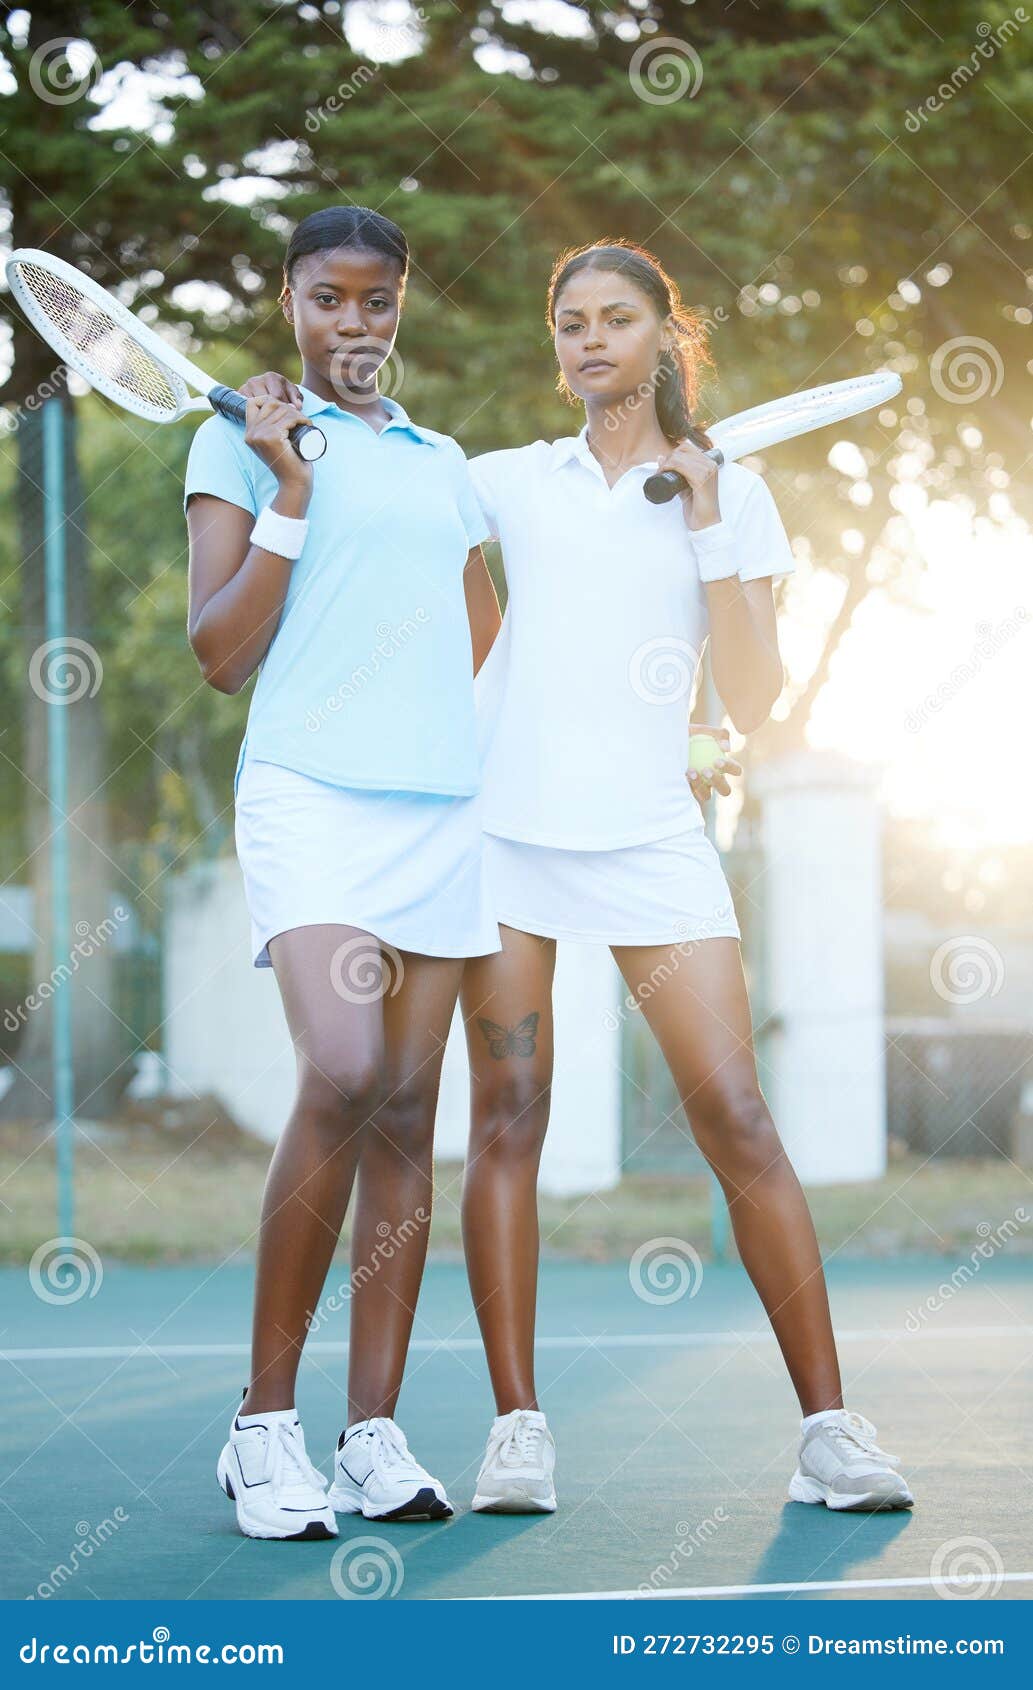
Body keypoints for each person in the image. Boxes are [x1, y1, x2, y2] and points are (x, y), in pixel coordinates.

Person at [457, 240, 913, 1517]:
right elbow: (418, 541)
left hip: (656, 843)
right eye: (568, 323)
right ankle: (517, 1431)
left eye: (614, 318)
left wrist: (706, 515)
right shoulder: (505, 483)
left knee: (740, 1124)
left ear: (667, 335)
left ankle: (828, 1430)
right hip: (509, 845)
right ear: (553, 347)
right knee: (509, 1116)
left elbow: (756, 695)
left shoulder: (735, 493)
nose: (588, 340)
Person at [184, 205, 502, 1539]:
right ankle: (262, 1431)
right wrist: (293, 490)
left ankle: (370, 1431)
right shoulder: (237, 442)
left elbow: (488, 637)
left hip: (439, 812)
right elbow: (218, 648)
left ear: (402, 305)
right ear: (289, 300)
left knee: (408, 1110)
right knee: (344, 1070)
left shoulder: (445, 465)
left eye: (376, 301)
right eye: (329, 299)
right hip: (310, 794)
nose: (354, 326)